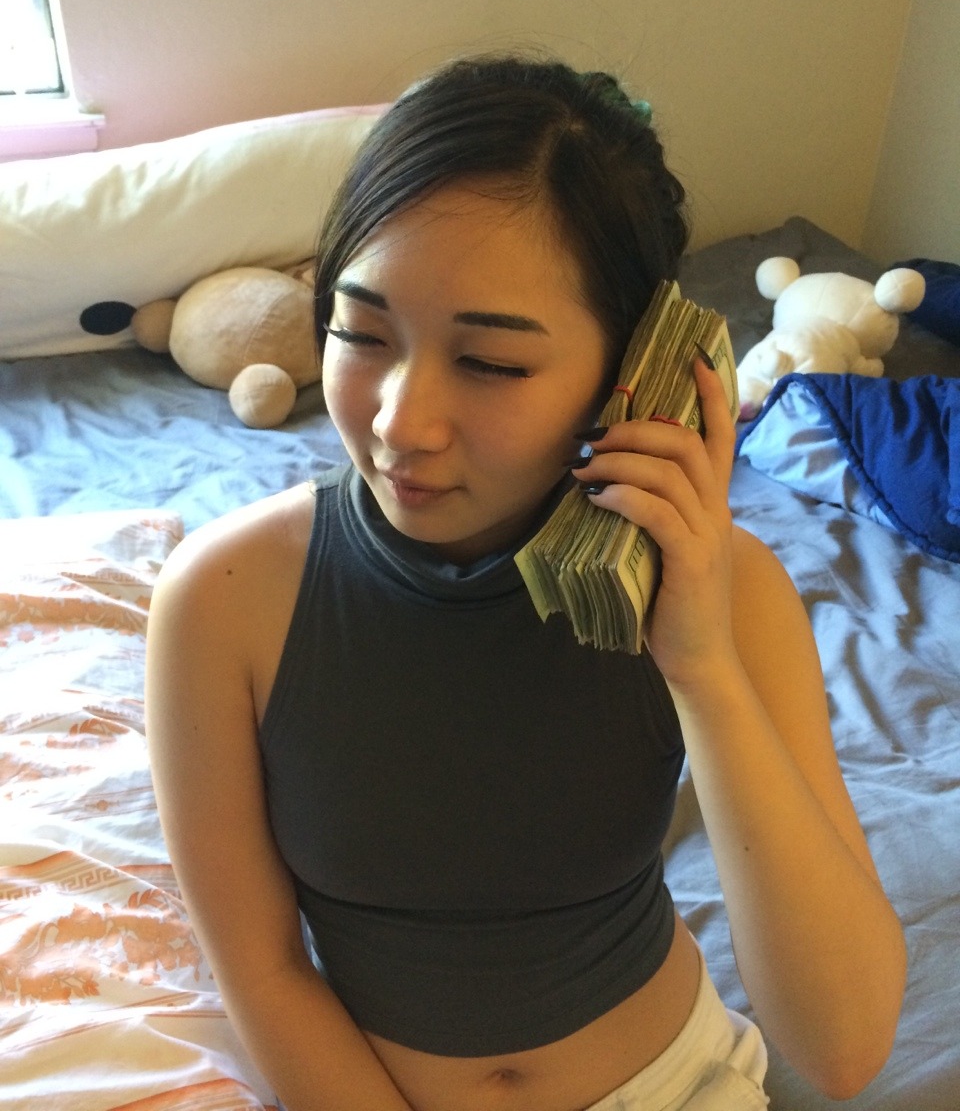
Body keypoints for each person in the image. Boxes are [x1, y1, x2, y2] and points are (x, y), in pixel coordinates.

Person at [145, 55, 906, 1111]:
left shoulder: (729, 591)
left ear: (631, 368)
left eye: (492, 363)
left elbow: (844, 1047)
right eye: (362, 334)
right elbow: (263, 969)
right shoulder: (223, 600)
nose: (400, 423)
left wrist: (701, 666)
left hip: (680, 1084)